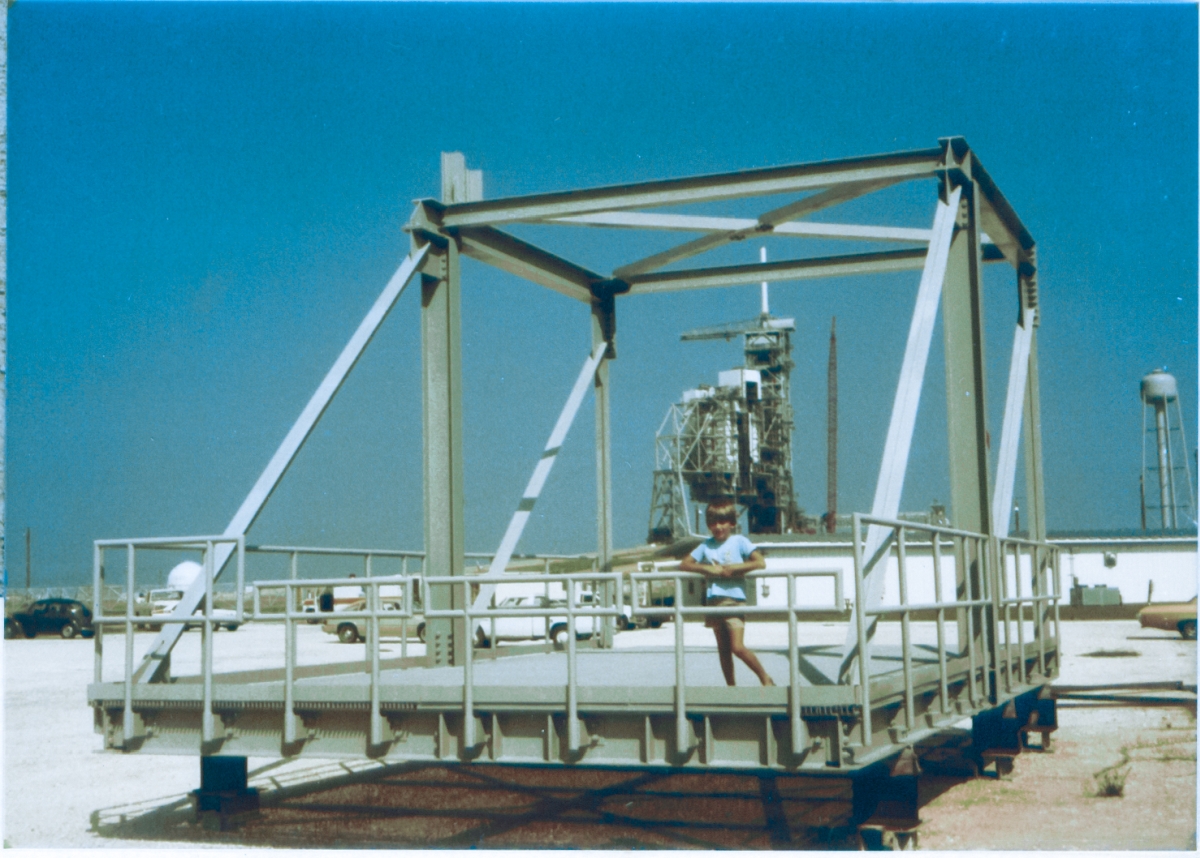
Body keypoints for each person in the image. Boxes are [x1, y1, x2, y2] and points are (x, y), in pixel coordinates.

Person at [678, 501, 775, 686]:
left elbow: (760, 562)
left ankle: (765, 678)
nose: (718, 527)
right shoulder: (706, 545)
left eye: (722, 522)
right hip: (714, 602)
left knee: (737, 647)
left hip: (734, 601)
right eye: (713, 523)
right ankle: (731, 687)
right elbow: (685, 564)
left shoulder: (739, 541)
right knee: (723, 650)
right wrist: (708, 569)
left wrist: (737, 568)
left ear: (731, 523)